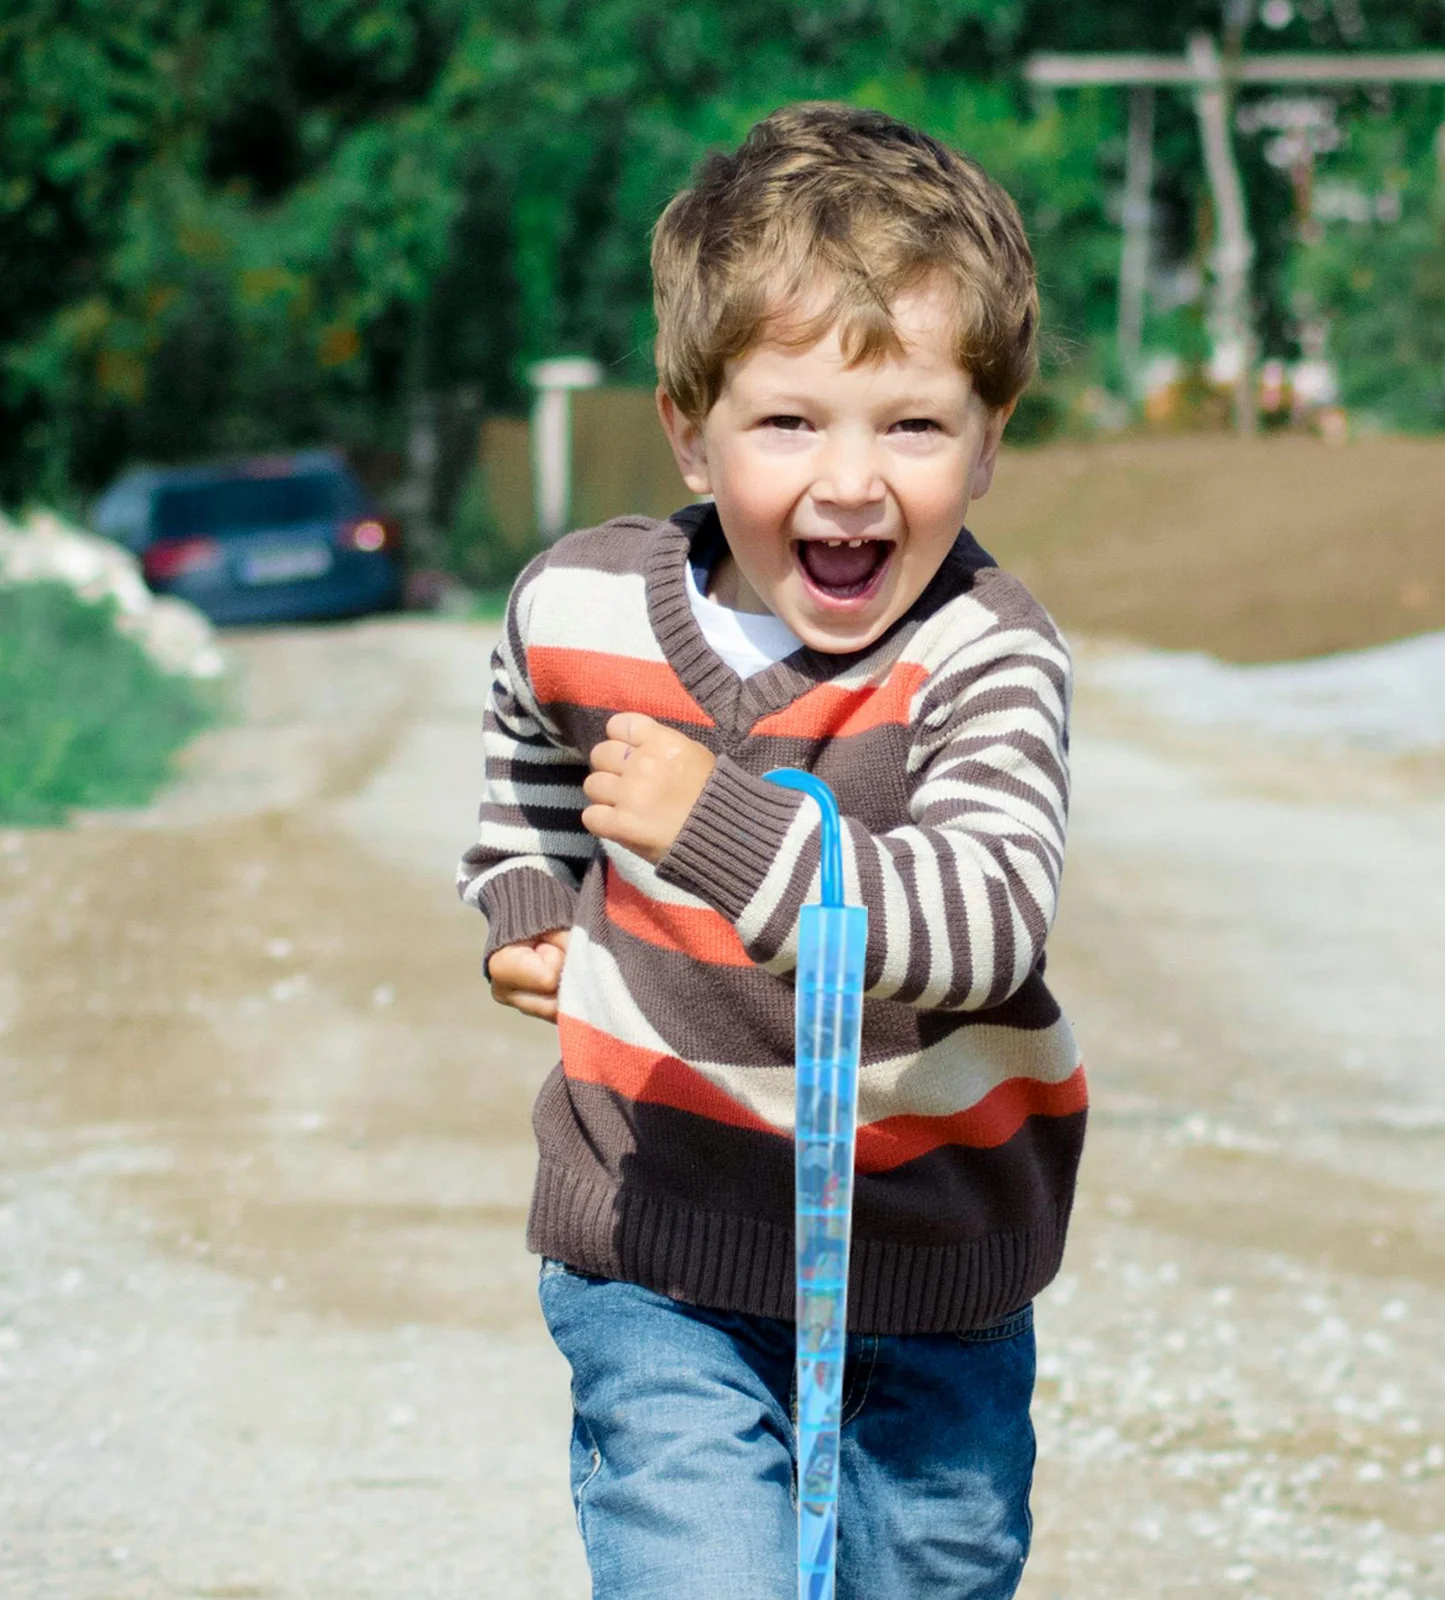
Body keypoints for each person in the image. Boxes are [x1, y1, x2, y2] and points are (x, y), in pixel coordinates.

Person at [456, 101, 1086, 1600]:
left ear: (990, 440)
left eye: (915, 423)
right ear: (691, 424)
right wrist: (528, 898)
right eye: (791, 420)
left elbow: (986, 916)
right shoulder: (584, 604)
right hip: (658, 1242)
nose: (853, 481)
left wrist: (721, 831)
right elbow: (527, 744)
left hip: (932, 1256)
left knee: (925, 1571)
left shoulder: (988, 658)